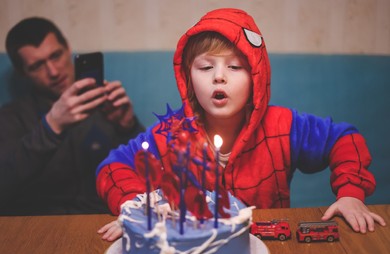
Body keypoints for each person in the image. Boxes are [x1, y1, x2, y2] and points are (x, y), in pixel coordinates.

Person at [96, 8, 385, 241]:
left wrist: (350, 194)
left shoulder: (284, 125)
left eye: (235, 67)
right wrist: (136, 207)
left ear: (256, 77)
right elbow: (112, 167)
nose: (219, 77)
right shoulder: (169, 133)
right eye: (206, 67)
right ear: (187, 78)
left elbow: (344, 140)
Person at [0, 17, 145, 215]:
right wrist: (52, 126)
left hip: (106, 218)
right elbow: (5, 183)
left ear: (68, 48)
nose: (53, 72)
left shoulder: (104, 103)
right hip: (45, 225)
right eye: (37, 66)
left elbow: (149, 169)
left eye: (56, 55)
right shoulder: (12, 117)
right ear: (22, 72)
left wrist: (128, 127)